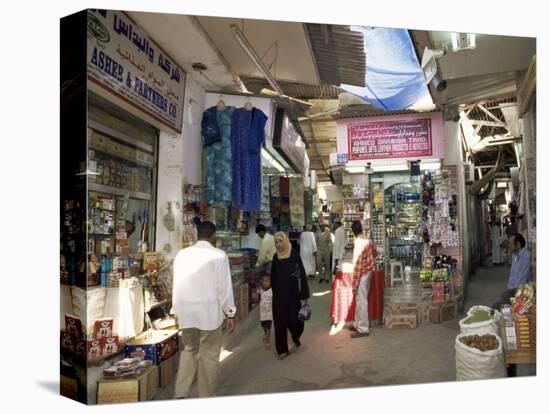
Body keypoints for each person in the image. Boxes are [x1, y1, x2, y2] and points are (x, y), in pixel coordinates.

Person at [171, 221, 236, 399]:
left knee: (189, 350)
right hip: (209, 315)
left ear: (196, 234)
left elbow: (176, 284)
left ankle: (180, 393)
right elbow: (224, 288)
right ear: (213, 236)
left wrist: (176, 310)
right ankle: (206, 397)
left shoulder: (182, 255)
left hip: (187, 314)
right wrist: (230, 312)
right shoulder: (219, 255)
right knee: (209, 356)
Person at [271, 232, 310, 360]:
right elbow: (273, 277)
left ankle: (295, 336)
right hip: (279, 296)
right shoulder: (275, 258)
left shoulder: (294, 255)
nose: (278, 244)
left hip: (293, 294)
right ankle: (282, 350)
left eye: (280, 241)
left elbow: (302, 275)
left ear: (286, 241)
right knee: (280, 323)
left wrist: (304, 294)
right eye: (276, 242)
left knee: (295, 321)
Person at [350, 221, 377, 339]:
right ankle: (357, 324)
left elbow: (357, 265)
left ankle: (363, 329)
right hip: (369, 271)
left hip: (362, 274)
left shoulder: (359, 243)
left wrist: (354, 283)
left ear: (353, 232)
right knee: (360, 300)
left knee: (361, 301)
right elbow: (375, 252)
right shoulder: (368, 240)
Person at [257, 275, 273, 348]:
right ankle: (265, 334)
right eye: (264, 281)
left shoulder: (272, 290)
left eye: (267, 281)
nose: (265, 283)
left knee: (268, 326)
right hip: (262, 312)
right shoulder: (261, 290)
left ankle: (267, 340)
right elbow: (256, 296)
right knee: (263, 325)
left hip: (269, 312)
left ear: (270, 282)